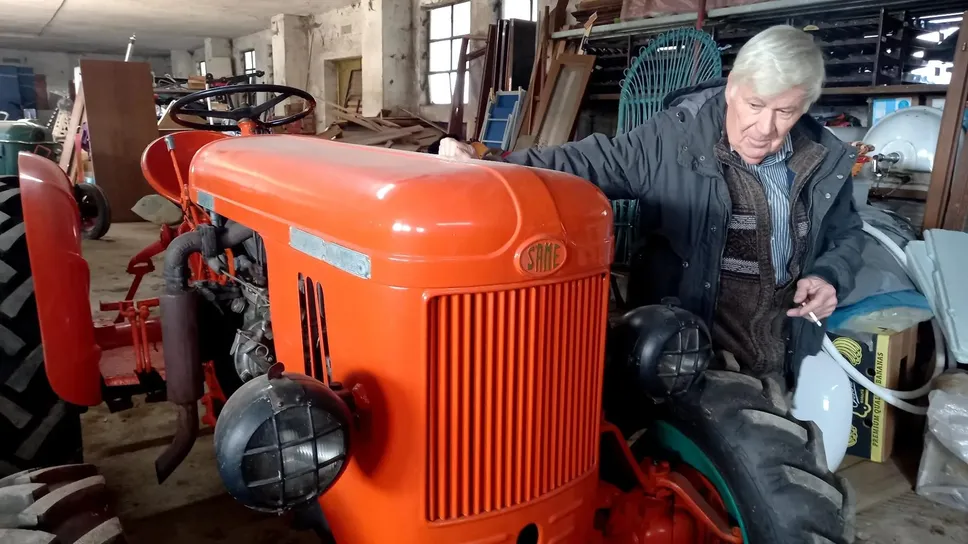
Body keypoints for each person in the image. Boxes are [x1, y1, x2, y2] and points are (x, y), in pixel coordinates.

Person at [438, 25, 865, 384]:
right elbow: (591, 160)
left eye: (785, 112)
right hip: (686, 355)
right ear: (733, 87)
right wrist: (487, 162)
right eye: (755, 105)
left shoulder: (822, 159)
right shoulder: (674, 139)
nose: (765, 127)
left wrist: (829, 278)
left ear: (805, 106)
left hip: (784, 351)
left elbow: (846, 234)